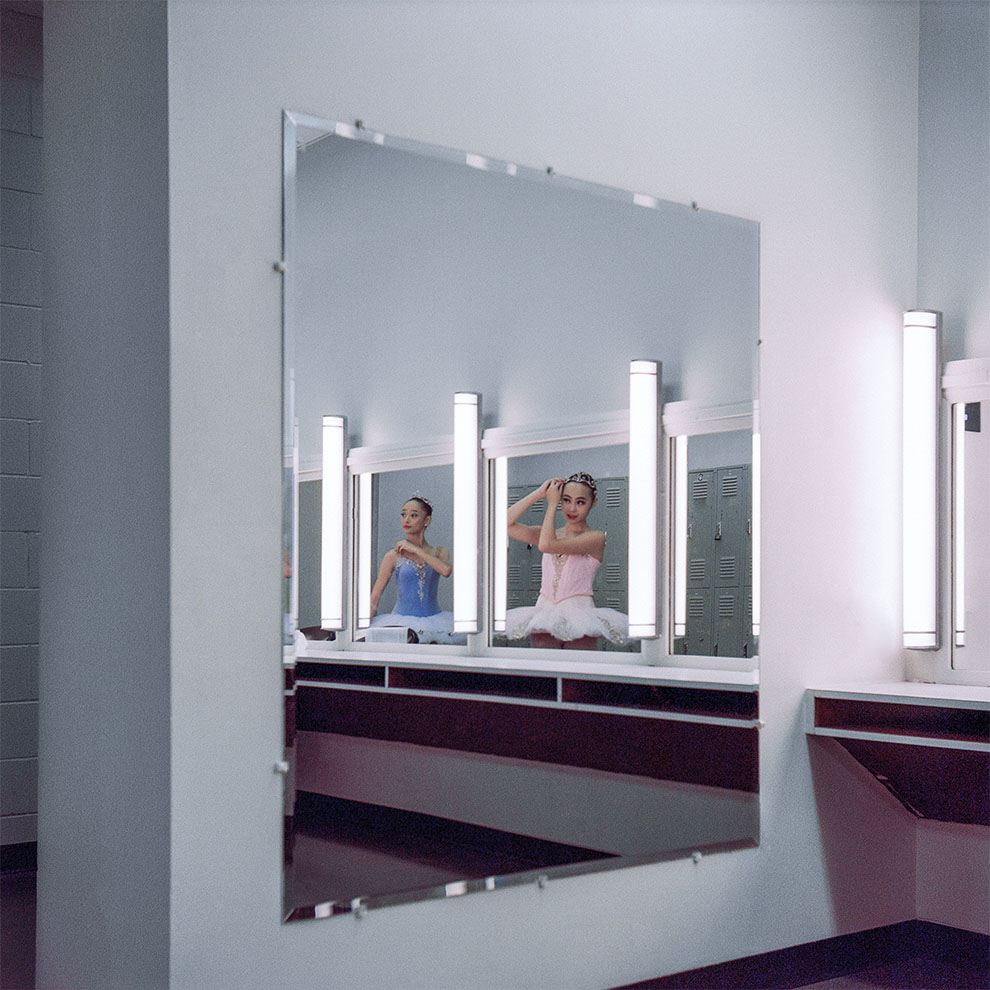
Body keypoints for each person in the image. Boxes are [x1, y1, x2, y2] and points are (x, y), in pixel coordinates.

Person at [504, 472, 627, 649]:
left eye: (580, 502)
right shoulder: (549, 534)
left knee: (577, 673)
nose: (571, 509)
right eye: (566, 500)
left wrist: (552, 505)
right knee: (544, 672)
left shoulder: (595, 538)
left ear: (593, 503)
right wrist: (539, 493)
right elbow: (503, 523)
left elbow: (546, 545)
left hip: (580, 615)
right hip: (544, 611)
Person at [369, 496, 455, 642]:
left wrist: (415, 550)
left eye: (413, 515)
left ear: (427, 521)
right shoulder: (393, 556)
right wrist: (359, 629)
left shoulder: (440, 552)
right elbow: (375, 597)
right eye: (403, 514)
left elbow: (446, 571)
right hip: (401, 623)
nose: (406, 520)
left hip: (435, 621)